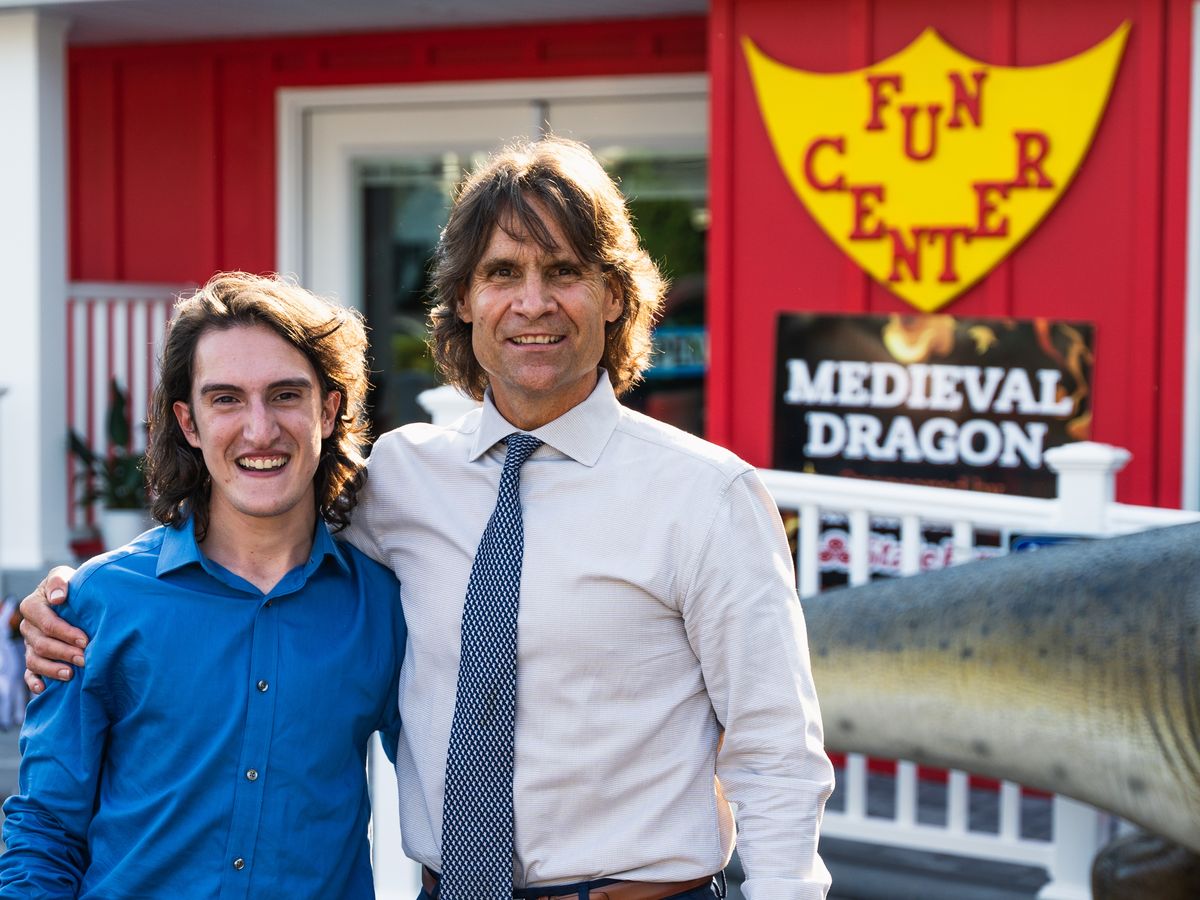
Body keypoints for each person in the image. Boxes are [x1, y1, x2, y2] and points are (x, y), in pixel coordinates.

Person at [23, 137, 834, 899]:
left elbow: (776, 755)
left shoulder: (706, 497)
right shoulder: (403, 479)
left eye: (564, 271)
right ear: (464, 301)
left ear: (615, 295)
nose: (533, 303)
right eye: (502, 272)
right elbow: (255, 526)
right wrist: (72, 597)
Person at [4, 273, 406, 898]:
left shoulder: (382, 606)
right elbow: (44, 829)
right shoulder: (100, 602)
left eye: (285, 395)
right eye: (226, 400)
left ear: (328, 411)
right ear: (188, 423)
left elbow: (452, 787)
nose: (260, 430)